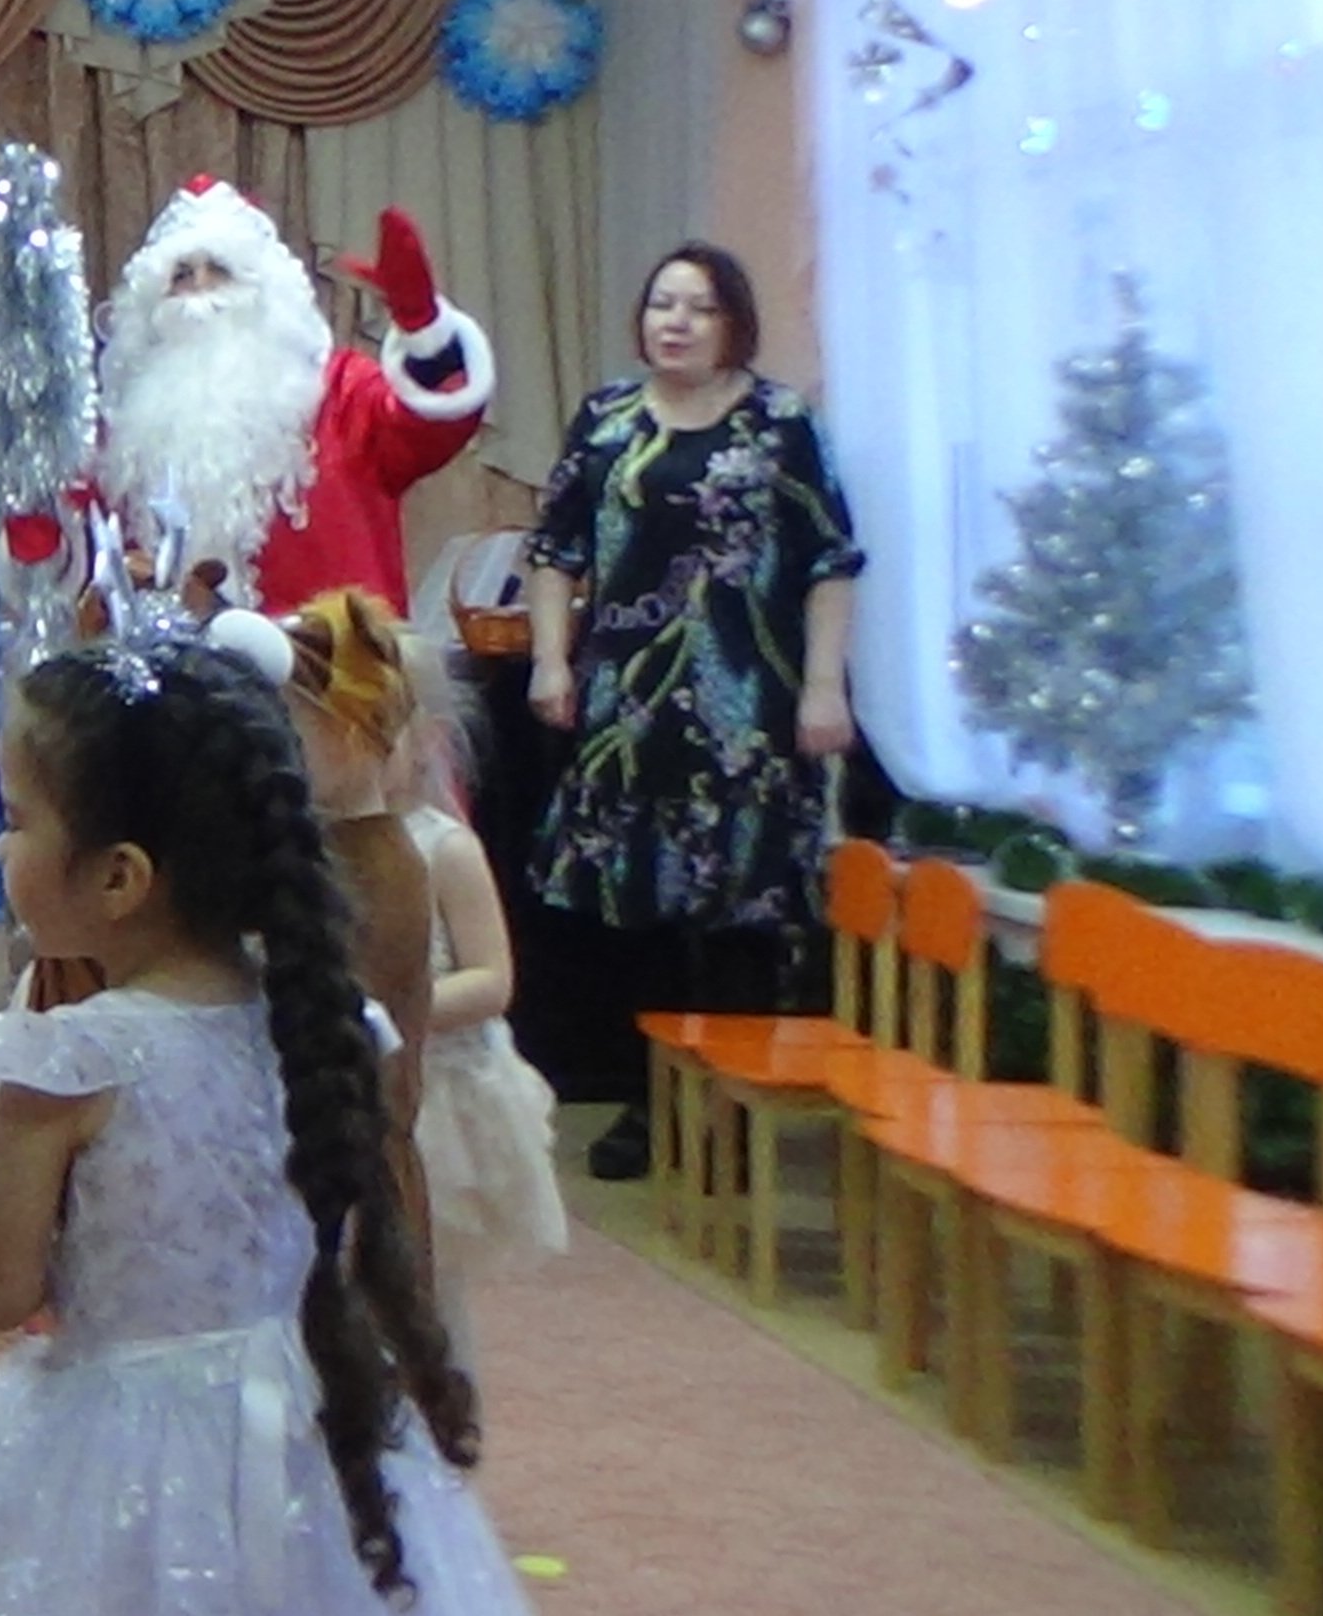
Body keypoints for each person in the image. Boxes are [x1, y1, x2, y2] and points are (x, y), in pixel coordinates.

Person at [0, 638, 524, 1616]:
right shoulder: (325, 1023)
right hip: (306, 1413)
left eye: (17, 821)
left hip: (114, 1435)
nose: (4, 849)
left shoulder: (68, 1061)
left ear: (120, 877)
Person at [526, 243, 864, 1182]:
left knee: (742, 908)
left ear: (734, 324)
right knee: (638, 908)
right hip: (629, 706)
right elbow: (555, 550)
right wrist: (551, 660)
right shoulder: (606, 420)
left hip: (751, 702)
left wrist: (825, 685)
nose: (674, 322)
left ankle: (731, 1111)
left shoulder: (781, 423)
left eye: (699, 307)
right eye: (662, 303)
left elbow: (831, 561)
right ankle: (652, 1102)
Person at [92, 179, 495, 615]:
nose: (201, 288)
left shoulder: (339, 391)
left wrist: (426, 336)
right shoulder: (130, 427)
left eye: (220, 270)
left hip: (329, 654)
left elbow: (425, 429)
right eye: (181, 275)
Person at [212, 591, 441, 1276]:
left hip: (347, 1155)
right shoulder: (341, 850)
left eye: (285, 728)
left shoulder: (375, 866)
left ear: (349, 735)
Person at [391, 629, 567, 1366]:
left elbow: (492, 980)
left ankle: (434, 1401)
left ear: (426, 739)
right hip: (342, 1078)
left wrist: (398, 1008)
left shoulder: (445, 848)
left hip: (439, 1092)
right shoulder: (306, 846)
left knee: (424, 1278)